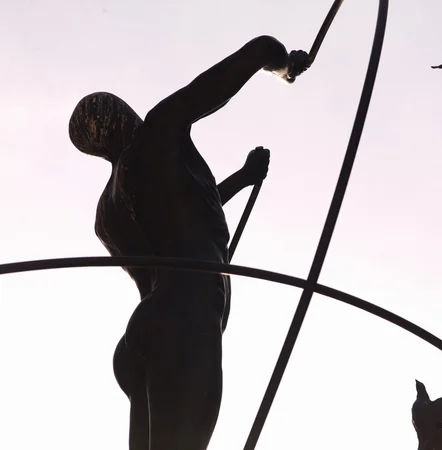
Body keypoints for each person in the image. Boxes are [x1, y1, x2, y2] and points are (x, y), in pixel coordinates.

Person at [68, 35, 310, 450]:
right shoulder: (159, 131)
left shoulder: (106, 215)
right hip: (186, 320)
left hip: (140, 337)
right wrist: (285, 68)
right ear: (121, 115)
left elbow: (179, 218)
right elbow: (260, 49)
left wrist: (242, 177)